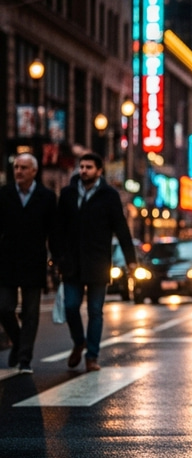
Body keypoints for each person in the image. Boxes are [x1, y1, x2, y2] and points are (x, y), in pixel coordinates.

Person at [53, 152, 137, 372]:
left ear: (99, 171)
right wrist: (57, 257)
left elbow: (121, 228)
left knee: (95, 311)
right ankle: (79, 341)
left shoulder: (109, 195)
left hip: (98, 262)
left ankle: (92, 356)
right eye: (82, 167)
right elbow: (58, 228)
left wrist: (131, 261)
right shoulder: (68, 193)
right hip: (71, 263)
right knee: (71, 306)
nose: (84, 171)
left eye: (89, 167)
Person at [0, 153, 57, 373]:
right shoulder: (4, 193)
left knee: (31, 312)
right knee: (4, 307)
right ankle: (18, 341)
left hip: (34, 261)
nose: (19, 171)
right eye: (16, 167)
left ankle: (25, 358)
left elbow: (53, 232)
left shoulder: (47, 197)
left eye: (24, 168)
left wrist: (57, 260)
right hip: (7, 261)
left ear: (34, 171)